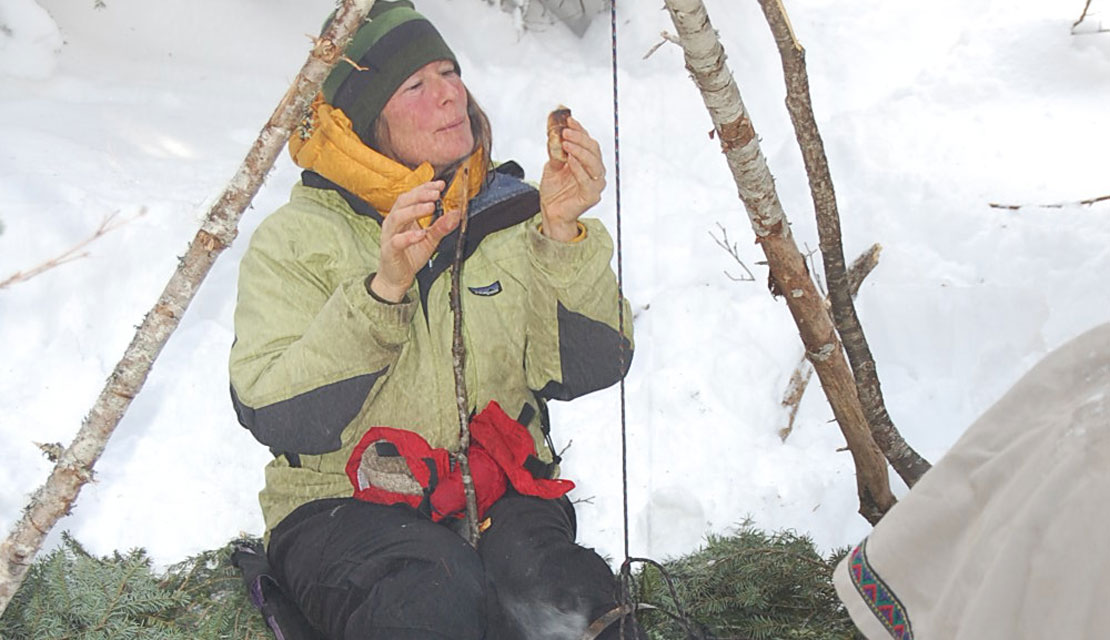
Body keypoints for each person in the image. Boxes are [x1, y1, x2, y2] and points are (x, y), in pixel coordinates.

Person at [228, 2, 635, 639]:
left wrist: (561, 236)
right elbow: (279, 413)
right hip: (342, 507)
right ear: (367, 122)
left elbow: (589, 367)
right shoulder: (298, 239)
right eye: (416, 85)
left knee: (571, 600)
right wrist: (384, 290)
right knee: (430, 593)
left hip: (498, 494)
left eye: (449, 72)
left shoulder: (508, 213)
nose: (450, 96)